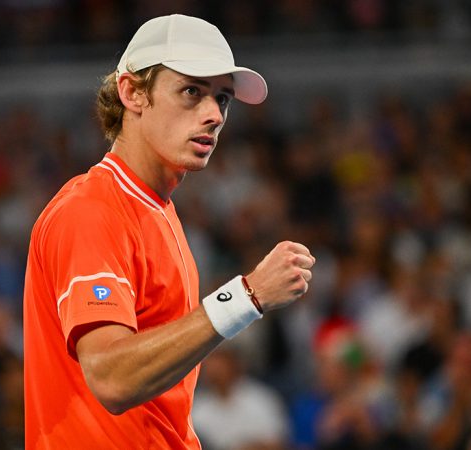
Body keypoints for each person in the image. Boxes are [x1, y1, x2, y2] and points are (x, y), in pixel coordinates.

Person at [23, 13, 316, 450]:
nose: (214, 114)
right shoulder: (90, 210)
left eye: (223, 98)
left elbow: (159, 408)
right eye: (191, 91)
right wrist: (246, 296)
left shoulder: (159, 212)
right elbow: (112, 377)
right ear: (132, 93)